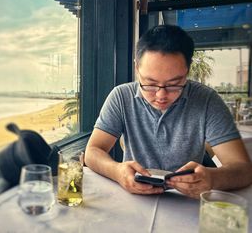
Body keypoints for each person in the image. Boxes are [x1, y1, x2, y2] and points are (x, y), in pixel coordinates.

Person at [84, 24, 252, 199]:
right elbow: (93, 151)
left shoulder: (207, 100)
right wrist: (117, 171)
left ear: (187, 70)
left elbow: (243, 168)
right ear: (136, 68)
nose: (161, 95)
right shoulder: (121, 96)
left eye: (174, 84)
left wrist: (212, 178)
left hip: (187, 201)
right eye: (149, 83)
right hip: (135, 198)